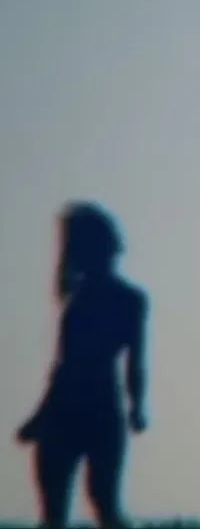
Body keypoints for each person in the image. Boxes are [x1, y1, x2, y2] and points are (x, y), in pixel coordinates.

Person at [14, 201, 150, 529]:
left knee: (68, 509)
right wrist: (136, 407)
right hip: (99, 409)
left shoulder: (88, 301)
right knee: (101, 504)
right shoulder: (127, 299)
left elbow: (70, 368)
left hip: (73, 411)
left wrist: (40, 418)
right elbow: (133, 365)